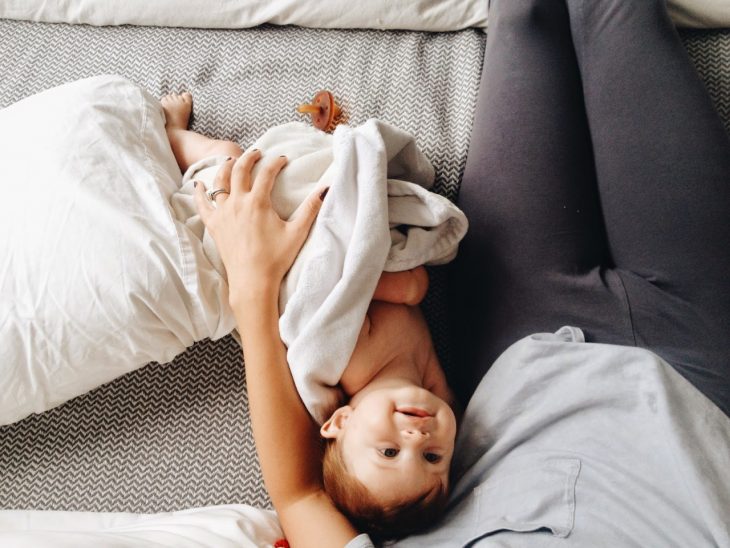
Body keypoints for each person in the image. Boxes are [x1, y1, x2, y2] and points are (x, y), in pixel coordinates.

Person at [160, 95, 460, 544]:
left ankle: (174, 138)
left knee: (218, 161)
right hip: (287, 257)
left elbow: (323, 298)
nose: (418, 437)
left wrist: (403, 287)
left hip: (288, 265)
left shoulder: (344, 363)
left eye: (391, 450)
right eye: (434, 457)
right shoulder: (437, 396)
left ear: (339, 422)